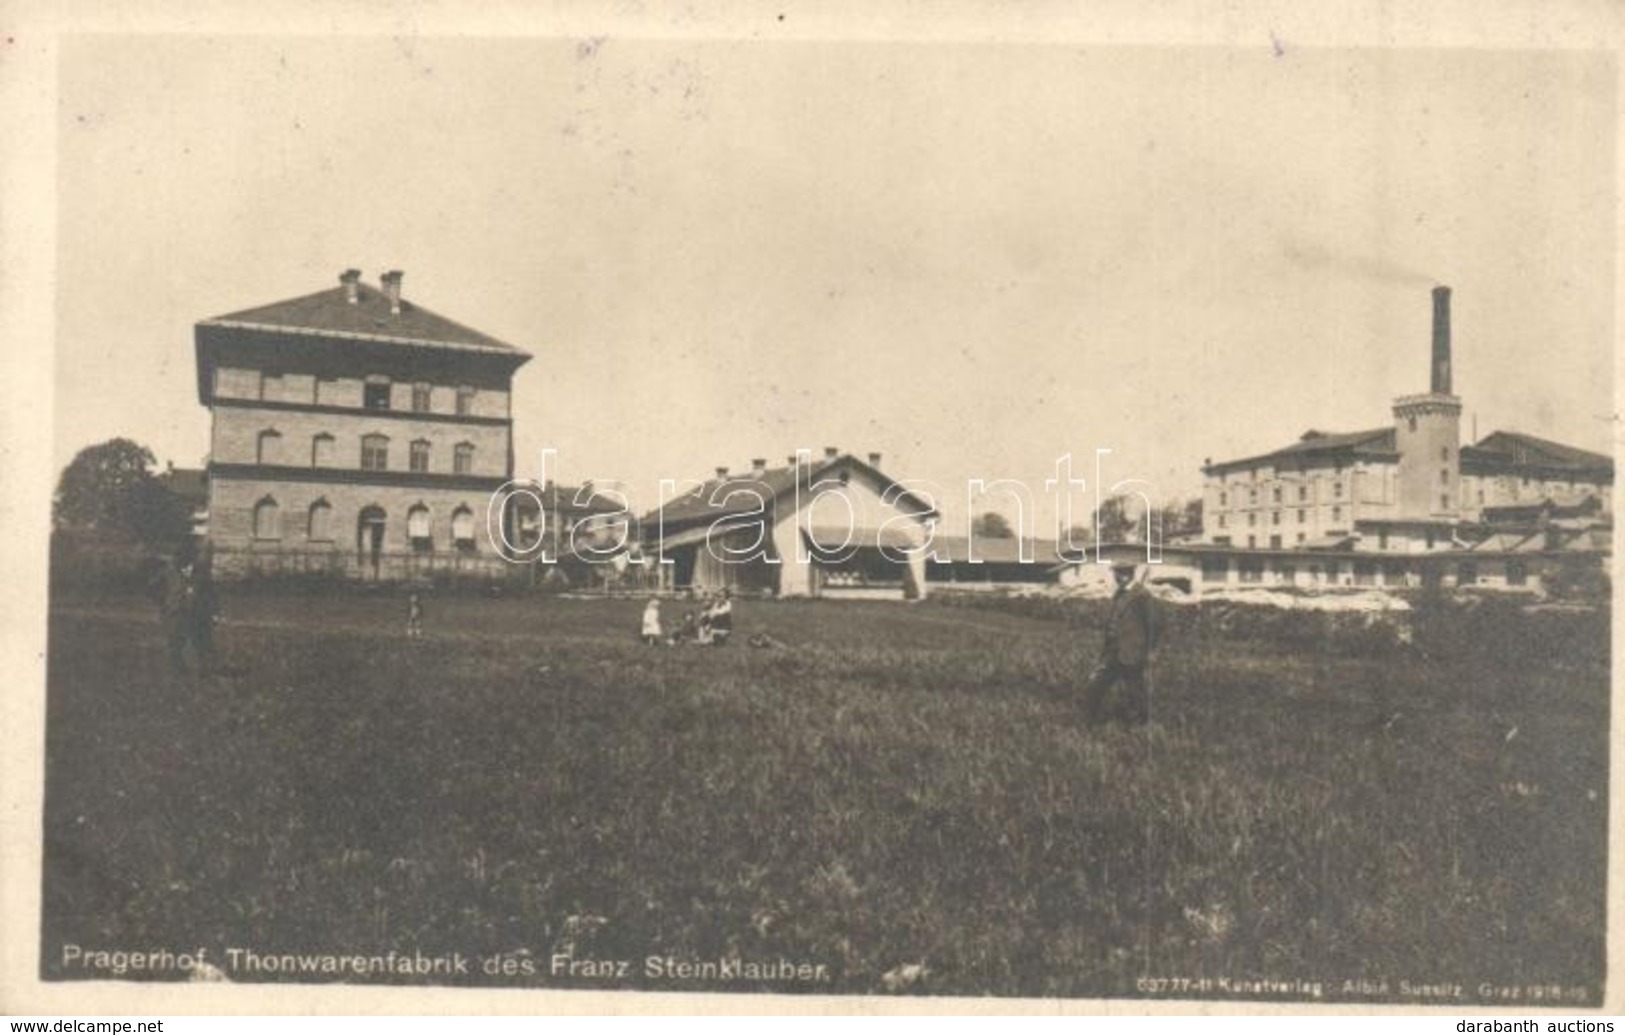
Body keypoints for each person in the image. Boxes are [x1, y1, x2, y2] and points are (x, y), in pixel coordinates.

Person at [1082, 561, 1159, 726]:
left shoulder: (1142, 595)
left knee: (1135, 690)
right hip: (1113, 650)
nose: (1118, 577)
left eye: (1122, 573)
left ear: (1130, 574)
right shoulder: (1120, 594)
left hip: (1133, 650)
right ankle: (1090, 722)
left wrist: (1151, 650)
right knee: (1096, 684)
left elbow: (1154, 624)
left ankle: (1141, 724)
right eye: (1117, 573)